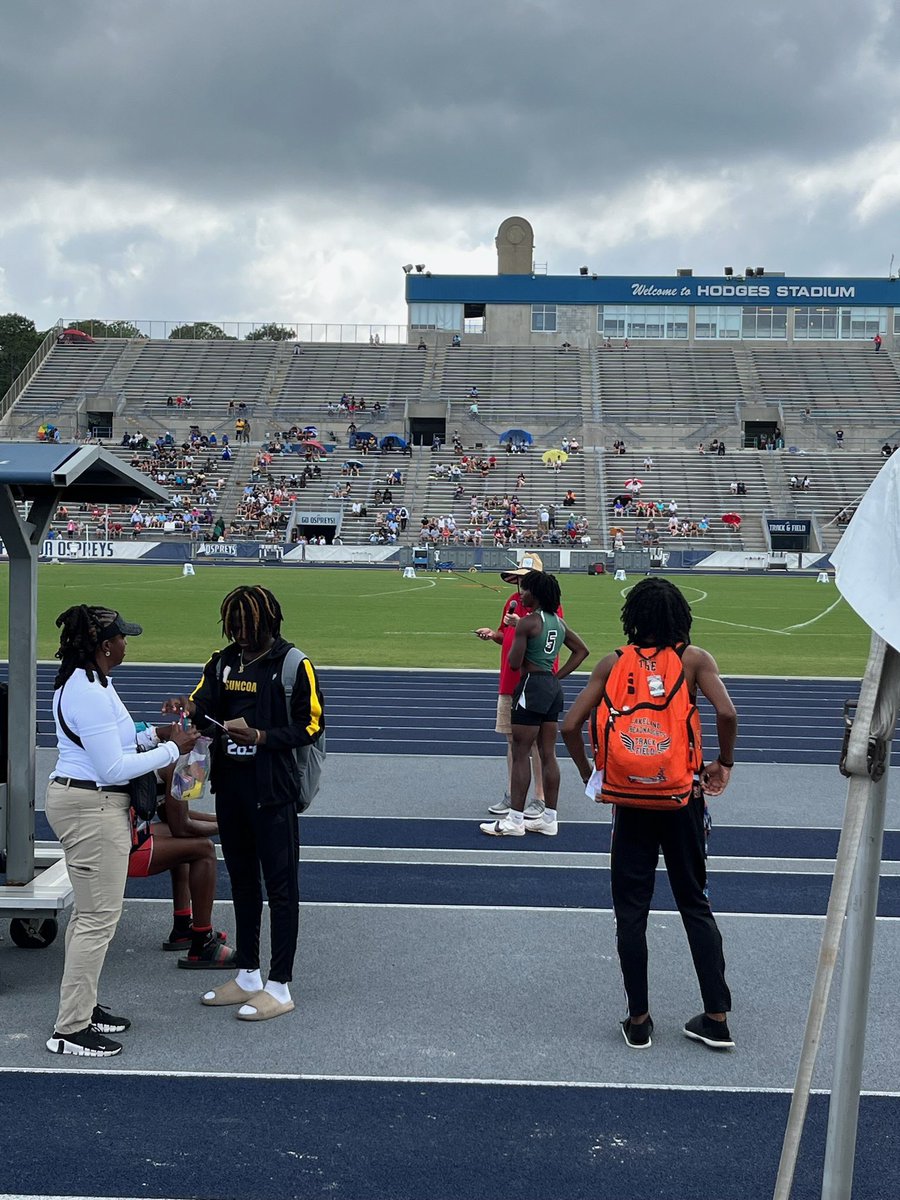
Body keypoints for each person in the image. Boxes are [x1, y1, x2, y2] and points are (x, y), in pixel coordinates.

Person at [561, 578, 738, 1051]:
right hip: (682, 799)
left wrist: (590, 774)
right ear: (680, 616)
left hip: (630, 803)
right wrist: (724, 764)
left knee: (631, 912)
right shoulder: (694, 660)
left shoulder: (611, 663)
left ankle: (638, 1020)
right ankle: (716, 1016)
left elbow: (570, 725)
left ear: (633, 616)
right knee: (694, 904)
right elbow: (728, 714)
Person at [163, 586, 324, 1022]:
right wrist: (189, 706)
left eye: (247, 628)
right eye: (233, 627)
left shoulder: (293, 664)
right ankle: (249, 974)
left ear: (268, 623)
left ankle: (280, 985)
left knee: (281, 889)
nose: (240, 635)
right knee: (245, 885)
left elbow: (311, 723)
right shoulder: (222, 661)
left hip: (273, 792)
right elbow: (204, 704)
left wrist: (261, 737)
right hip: (231, 790)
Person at [45, 607, 199, 1057]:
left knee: (89, 917)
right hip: (91, 806)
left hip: (87, 801)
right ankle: (70, 1029)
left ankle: (83, 1007)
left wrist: (154, 735)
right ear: (103, 645)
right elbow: (111, 765)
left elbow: (117, 741)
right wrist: (173, 747)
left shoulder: (91, 682)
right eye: (121, 638)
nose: (127, 644)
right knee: (97, 920)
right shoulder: (87, 690)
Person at [480, 570, 588, 837]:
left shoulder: (528, 622)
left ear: (536, 594)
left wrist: (517, 633)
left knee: (520, 751)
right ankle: (549, 818)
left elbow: (514, 662)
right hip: (552, 687)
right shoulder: (558, 623)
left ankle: (514, 820)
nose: (521, 594)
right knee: (548, 753)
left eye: (525, 590)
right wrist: (556, 675)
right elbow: (582, 651)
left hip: (531, 686)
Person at [474, 554, 556, 822]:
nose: (521, 585)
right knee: (512, 740)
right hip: (509, 679)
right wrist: (494, 634)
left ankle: (540, 798)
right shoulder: (511, 602)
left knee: (533, 743)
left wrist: (517, 625)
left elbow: (544, 635)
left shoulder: (548, 606)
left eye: (526, 580)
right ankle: (513, 793)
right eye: (519, 579)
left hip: (532, 682)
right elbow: (506, 635)